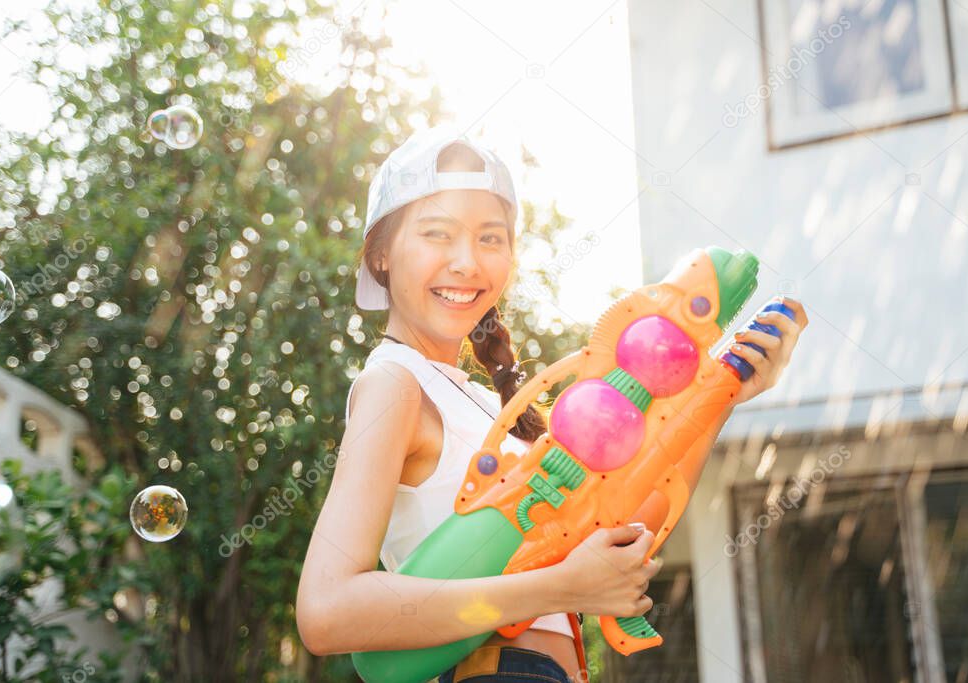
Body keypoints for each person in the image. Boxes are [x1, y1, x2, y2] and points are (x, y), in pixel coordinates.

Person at [295, 124, 809, 682]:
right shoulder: (395, 385)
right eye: (437, 233)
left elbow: (629, 517)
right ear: (380, 257)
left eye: (490, 238)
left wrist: (725, 392)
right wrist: (562, 587)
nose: (467, 261)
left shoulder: (480, 402)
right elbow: (326, 612)